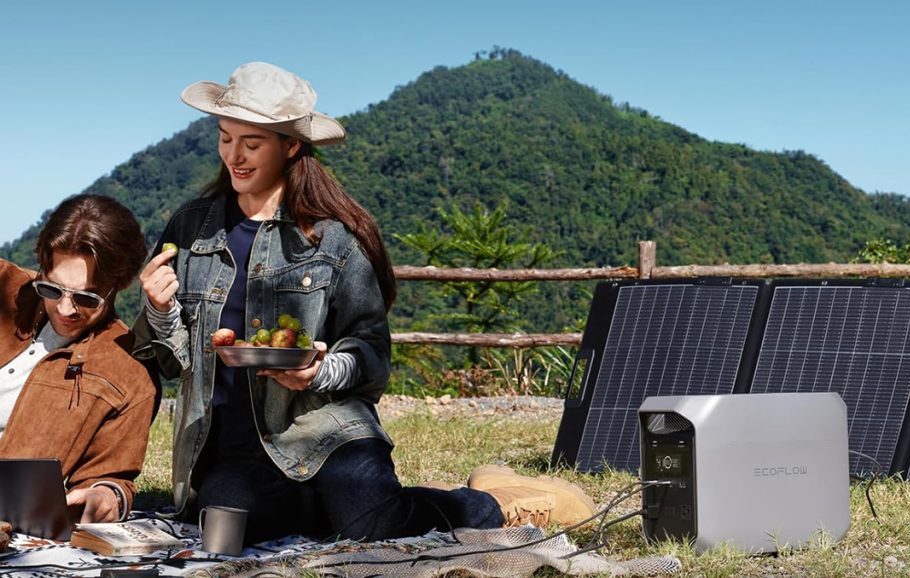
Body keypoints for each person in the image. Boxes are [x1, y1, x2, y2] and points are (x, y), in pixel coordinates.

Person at [133, 61, 595, 543]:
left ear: (291, 146)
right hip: (231, 449)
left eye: (252, 143)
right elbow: (168, 364)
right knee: (230, 527)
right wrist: (160, 311)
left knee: (370, 522)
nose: (234, 155)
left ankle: (499, 502)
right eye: (226, 138)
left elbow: (371, 355)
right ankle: (373, 503)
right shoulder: (191, 228)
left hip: (326, 429)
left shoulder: (334, 238)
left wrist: (318, 373)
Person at [0, 194, 155, 523]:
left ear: (118, 285)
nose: (65, 308)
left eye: (86, 297)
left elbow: (112, 480)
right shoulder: (4, 286)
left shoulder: (128, 372)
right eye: (51, 289)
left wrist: (104, 497)